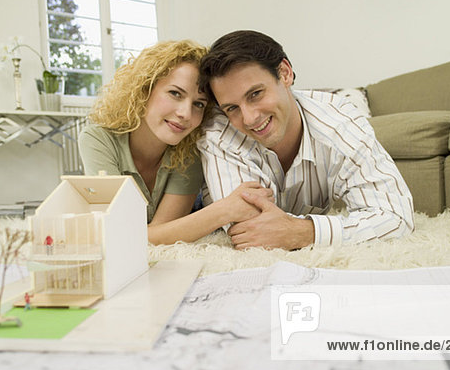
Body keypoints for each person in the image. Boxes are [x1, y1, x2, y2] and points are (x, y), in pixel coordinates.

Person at [197, 30, 415, 250]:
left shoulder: (339, 121)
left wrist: (303, 231)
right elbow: (249, 231)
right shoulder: (219, 132)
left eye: (255, 94)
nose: (249, 118)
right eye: (232, 108)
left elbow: (396, 216)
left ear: (285, 73)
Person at [79, 40, 273, 245]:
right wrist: (225, 209)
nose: (185, 114)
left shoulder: (189, 148)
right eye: (175, 93)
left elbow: (157, 235)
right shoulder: (98, 139)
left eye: (198, 104)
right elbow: (121, 234)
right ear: (144, 90)